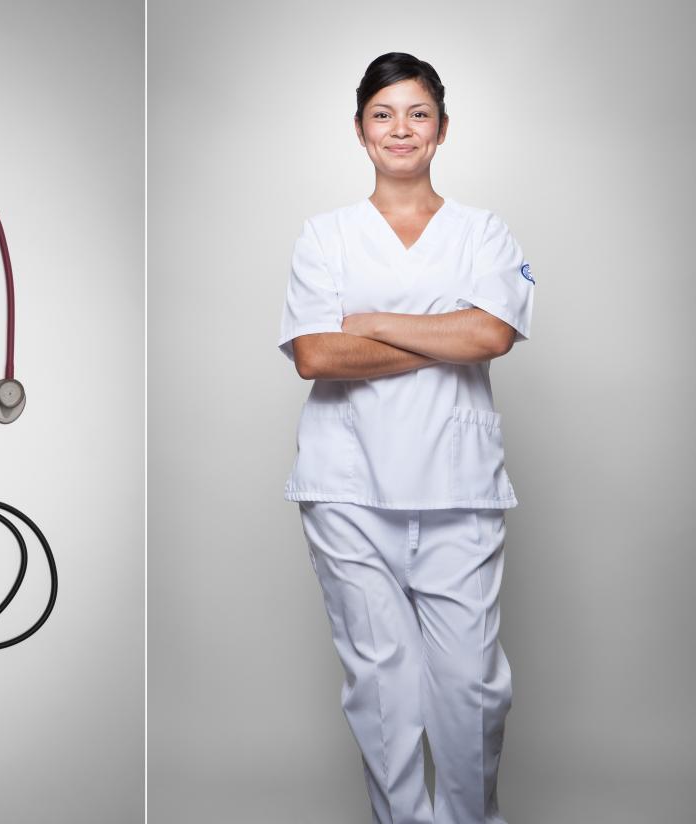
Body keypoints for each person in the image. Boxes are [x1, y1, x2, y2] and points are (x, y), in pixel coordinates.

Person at [277, 52, 535, 824]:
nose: (401, 129)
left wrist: (376, 324)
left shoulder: (484, 232)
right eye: (384, 114)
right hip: (346, 487)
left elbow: (492, 334)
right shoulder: (325, 236)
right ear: (360, 131)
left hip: (458, 486)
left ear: (442, 129)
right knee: (382, 690)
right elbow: (316, 355)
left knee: (472, 689)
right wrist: (440, 335)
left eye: (417, 114)